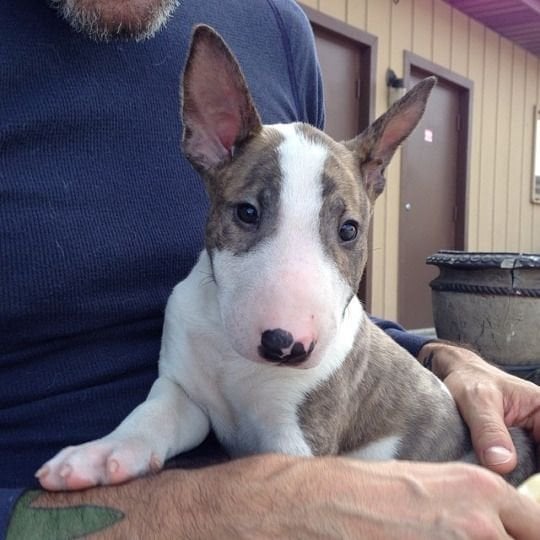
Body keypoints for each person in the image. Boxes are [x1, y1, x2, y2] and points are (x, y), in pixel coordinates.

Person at [1, 0, 539, 537]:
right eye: (249, 214)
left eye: (346, 231)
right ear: (208, 133)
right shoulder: (191, 309)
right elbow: (187, 395)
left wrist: (440, 353)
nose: (290, 339)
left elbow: (313, 274)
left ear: (375, 172)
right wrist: (137, 441)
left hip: (466, 473)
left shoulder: (277, 27)